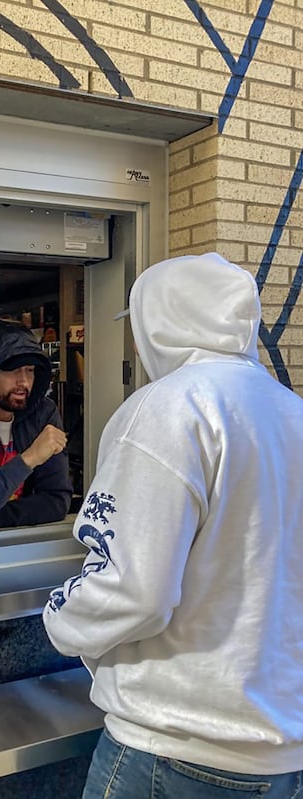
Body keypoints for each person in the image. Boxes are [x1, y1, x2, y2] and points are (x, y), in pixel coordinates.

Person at [42, 253, 303, 797]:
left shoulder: (167, 411)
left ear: (161, 323)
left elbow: (134, 589)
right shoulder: (290, 413)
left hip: (173, 748)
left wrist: (59, 618)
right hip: (279, 749)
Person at [0, 320, 72, 528]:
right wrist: (30, 458)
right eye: (12, 370)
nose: (23, 382)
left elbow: (57, 500)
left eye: (29, 370)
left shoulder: (43, 412)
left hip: (23, 545)